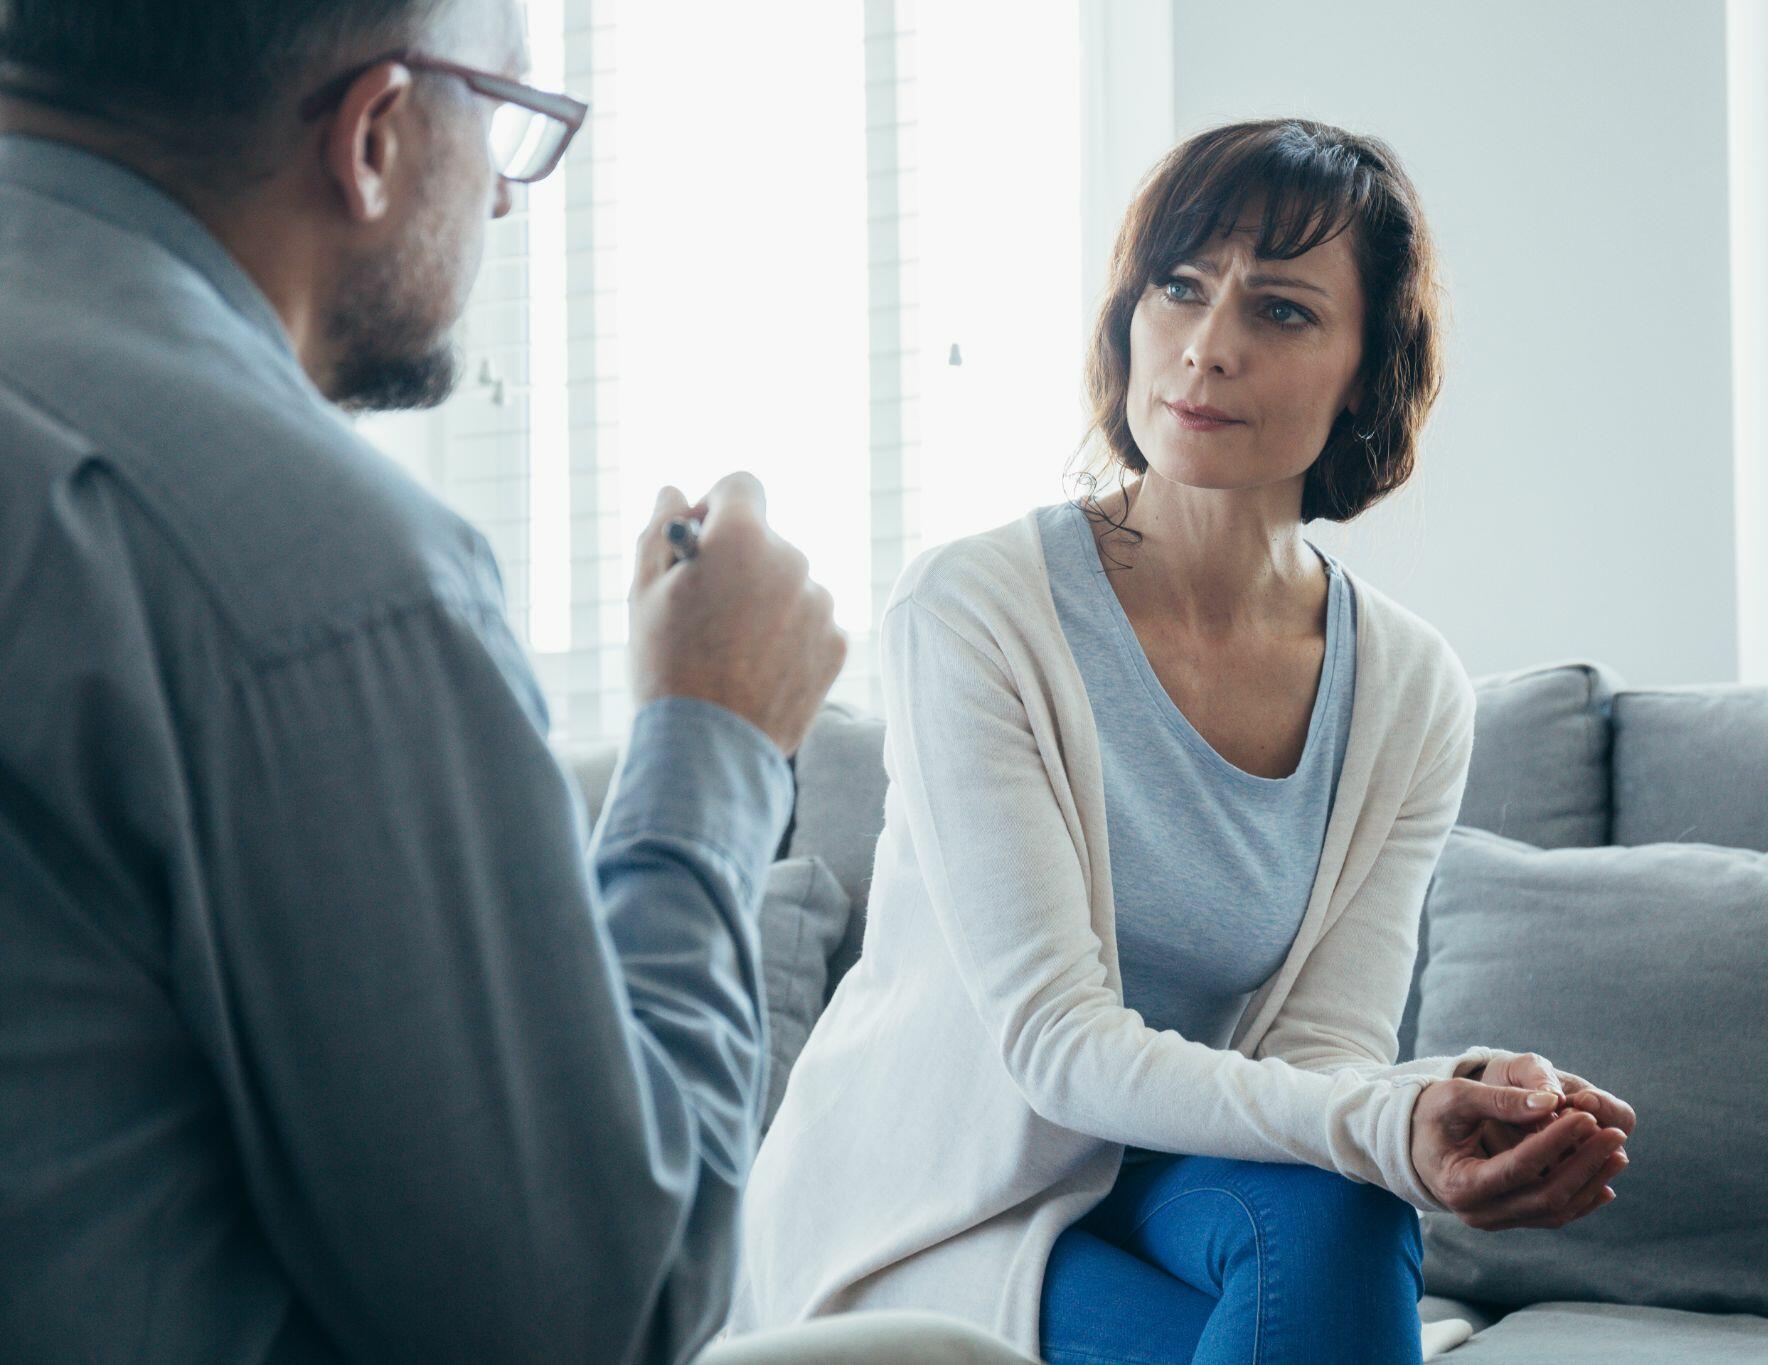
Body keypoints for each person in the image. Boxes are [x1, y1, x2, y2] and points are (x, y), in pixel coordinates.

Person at [0, 1, 1030, 1361]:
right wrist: (712, 735)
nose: (500, 193)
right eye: (507, 119)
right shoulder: (319, 573)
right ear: (374, 134)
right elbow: (590, 1310)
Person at [728, 119, 1640, 1364]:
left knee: (1345, 1208)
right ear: (1128, 314)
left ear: (1366, 372)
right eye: (1180, 288)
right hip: (936, 1212)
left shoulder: (1410, 685)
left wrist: (1439, 1107)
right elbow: (1055, 1045)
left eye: (1280, 312)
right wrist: (1392, 1116)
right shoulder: (976, 607)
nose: (1207, 348)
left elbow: (1321, 1050)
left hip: (1179, 1180)